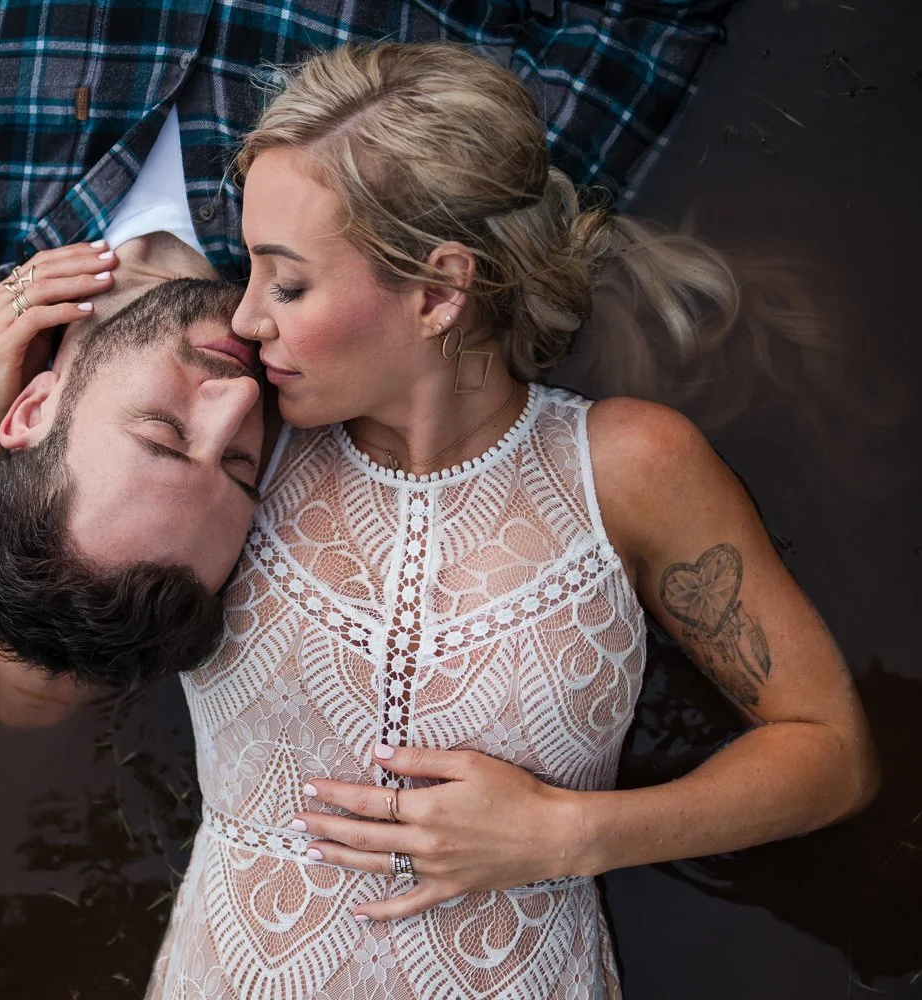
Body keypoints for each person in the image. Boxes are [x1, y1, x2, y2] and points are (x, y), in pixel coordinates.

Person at [136, 43, 878, 998]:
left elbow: (833, 754)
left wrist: (570, 834)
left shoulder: (627, 469)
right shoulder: (235, 440)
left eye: (288, 284)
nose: (244, 321)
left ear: (439, 291)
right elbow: (38, 681)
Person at [0, 0, 739, 712]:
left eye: (163, 434)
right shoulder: (412, 252)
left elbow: (29, 697)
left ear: (33, 408)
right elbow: (648, 22)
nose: (234, 404)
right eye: (242, 468)